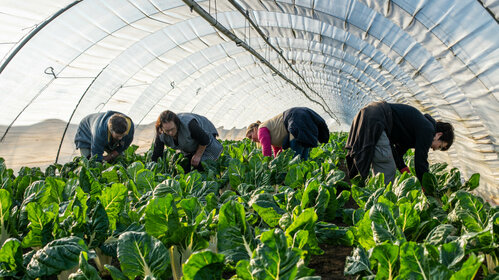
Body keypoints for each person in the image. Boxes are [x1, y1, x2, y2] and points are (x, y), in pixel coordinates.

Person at [345, 101, 454, 188]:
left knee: (378, 159)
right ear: (438, 135)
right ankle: (381, 201)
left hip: (370, 113)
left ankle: (370, 192)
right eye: (439, 146)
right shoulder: (428, 130)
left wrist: (403, 168)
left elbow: (397, 151)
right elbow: (420, 161)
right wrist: (426, 186)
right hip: (377, 118)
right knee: (388, 167)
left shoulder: (419, 126)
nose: (435, 149)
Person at [246, 107, 330, 160]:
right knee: (303, 158)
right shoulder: (271, 128)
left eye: (250, 136)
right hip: (301, 119)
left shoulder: (261, 129)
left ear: (254, 129)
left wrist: (266, 166)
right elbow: (277, 151)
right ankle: (303, 180)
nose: (252, 140)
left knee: (295, 159)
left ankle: (297, 185)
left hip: (295, 121)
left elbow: (266, 151)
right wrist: (277, 163)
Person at [151, 110, 222, 170]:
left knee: (202, 165)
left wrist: (198, 155)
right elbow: (157, 152)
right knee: (186, 167)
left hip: (205, 134)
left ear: (177, 124)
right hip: (191, 144)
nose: (170, 133)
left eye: (172, 129)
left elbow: (204, 139)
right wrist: (153, 168)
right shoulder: (160, 133)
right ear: (162, 128)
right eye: (167, 130)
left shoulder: (189, 124)